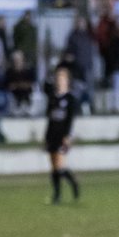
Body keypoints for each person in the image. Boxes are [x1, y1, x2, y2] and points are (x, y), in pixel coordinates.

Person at [44, 67, 80, 203]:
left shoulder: (70, 99)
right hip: (52, 135)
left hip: (62, 135)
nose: (59, 81)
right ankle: (57, 195)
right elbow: (50, 119)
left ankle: (73, 183)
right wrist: (46, 137)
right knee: (54, 167)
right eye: (58, 78)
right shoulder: (53, 98)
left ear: (67, 81)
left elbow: (70, 119)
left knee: (59, 166)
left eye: (62, 78)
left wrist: (67, 136)